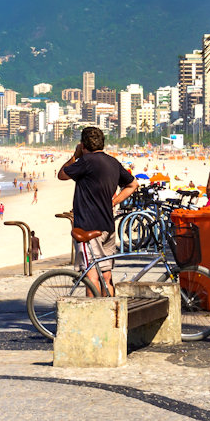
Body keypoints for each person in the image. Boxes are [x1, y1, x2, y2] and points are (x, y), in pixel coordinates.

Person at [57, 126, 136, 297]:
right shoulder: (112, 162)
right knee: (106, 276)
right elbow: (132, 185)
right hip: (108, 226)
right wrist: (114, 201)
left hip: (88, 227)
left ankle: (94, 320)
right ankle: (109, 316)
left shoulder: (86, 161)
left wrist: (75, 156)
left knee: (91, 276)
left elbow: (62, 174)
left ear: (83, 145)